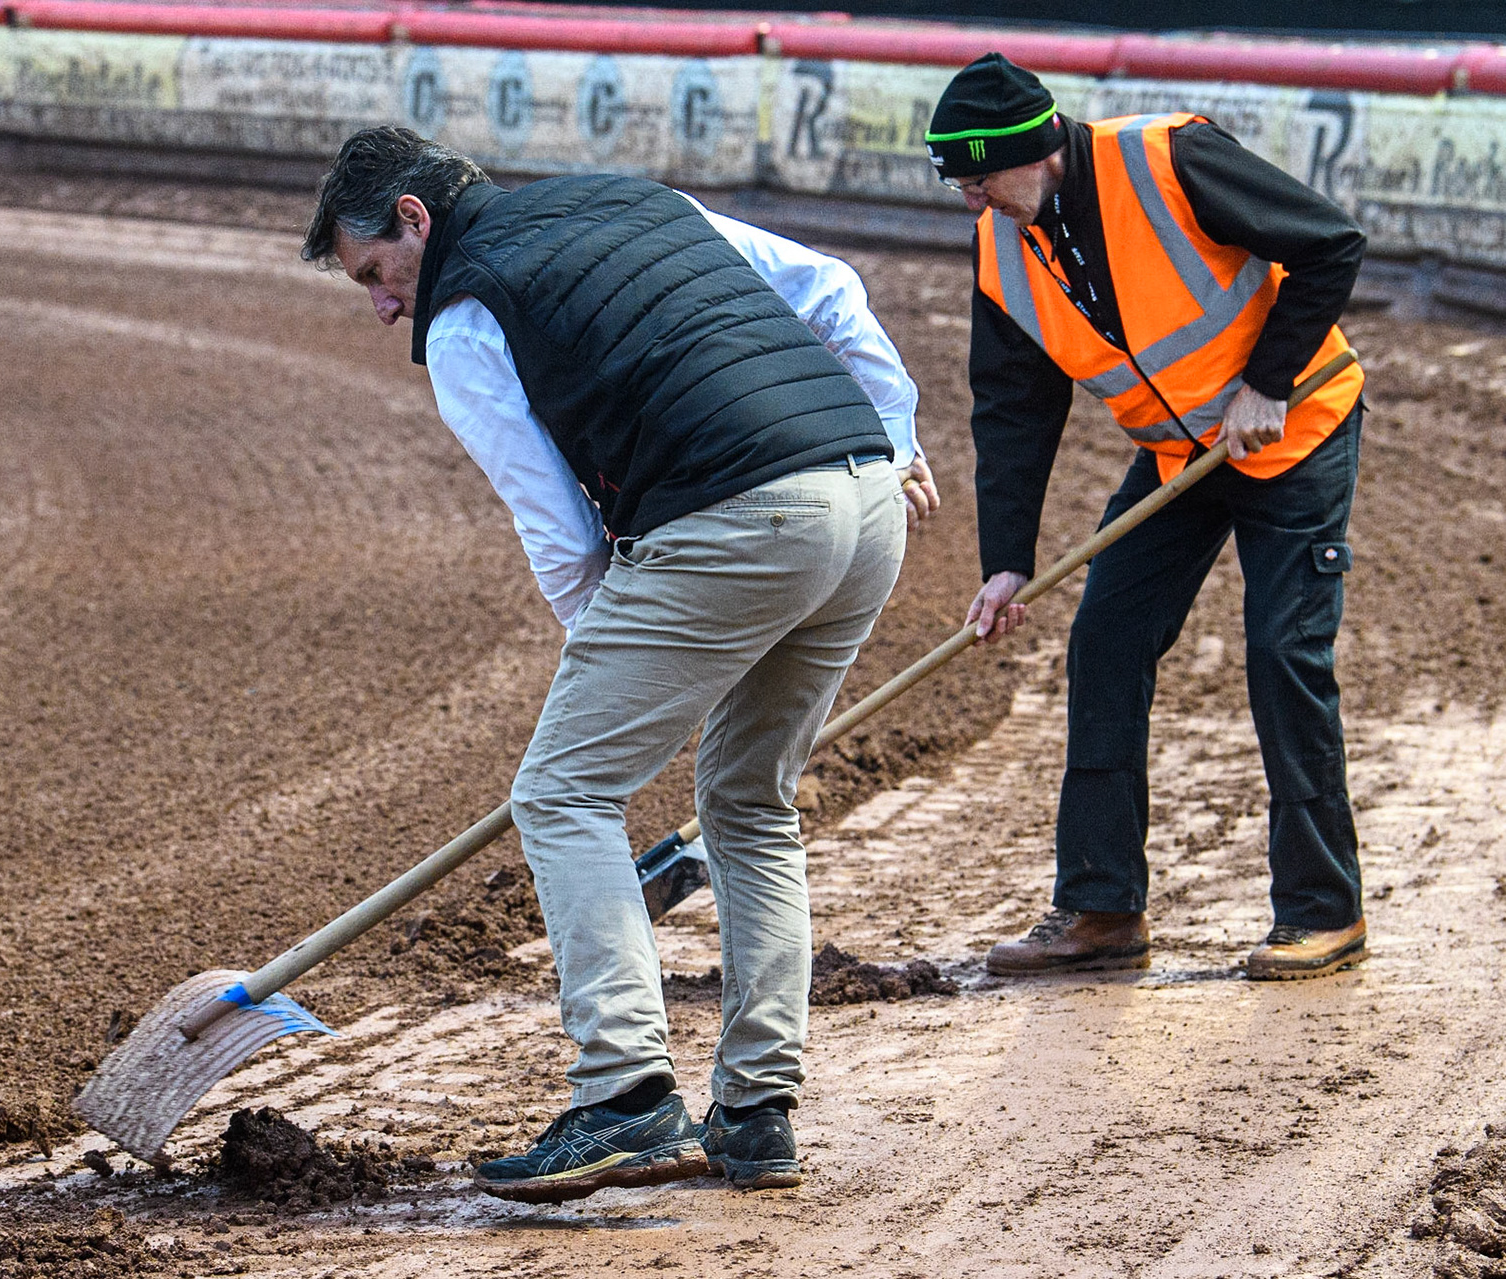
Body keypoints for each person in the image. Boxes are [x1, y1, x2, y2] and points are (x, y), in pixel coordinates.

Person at [302, 126, 934, 1201]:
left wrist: (619, 659)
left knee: (562, 790)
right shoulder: (638, 198)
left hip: (741, 517)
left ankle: (627, 1094)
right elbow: (831, 287)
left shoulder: (464, 318)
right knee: (747, 802)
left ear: (415, 219)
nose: (381, 305)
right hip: (869, 502)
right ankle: (756, 1113)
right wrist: (895, 430)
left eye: (374, 273)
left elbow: (561, 536)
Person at [925, 54, 1368, 981]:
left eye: (978, 180)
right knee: (1107, 638)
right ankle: (1101, 907)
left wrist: (1269, 380)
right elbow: (1011, 406)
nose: (974, 203)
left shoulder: (1169, 158)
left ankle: (1323, 912)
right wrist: (1006, 561)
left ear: (1032, 151)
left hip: (1294, 429)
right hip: (1183, 457)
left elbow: (1329, 242)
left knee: (1283, 653)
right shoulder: (1004, 249)